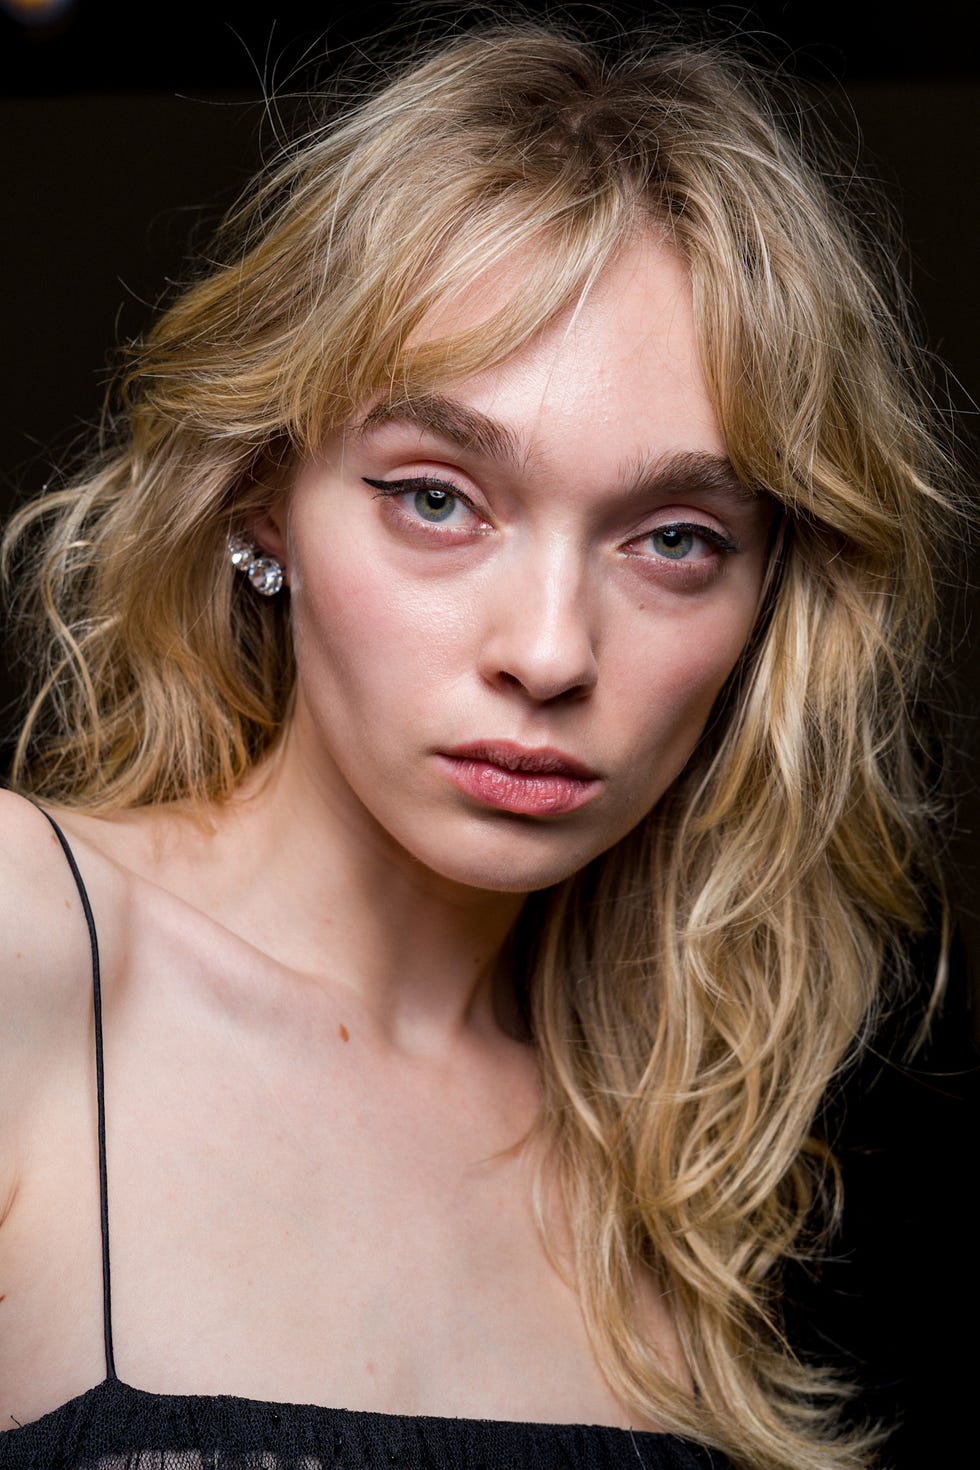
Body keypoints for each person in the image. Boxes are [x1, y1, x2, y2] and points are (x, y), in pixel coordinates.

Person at [0, 19, 957, 1470]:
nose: (553, 651)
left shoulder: (700, 1157)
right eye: (438, 497)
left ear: (770, 601)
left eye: (678, 539)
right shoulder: (28, 947)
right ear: (266, 498)